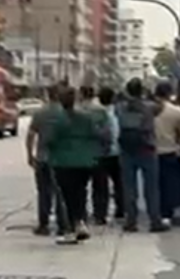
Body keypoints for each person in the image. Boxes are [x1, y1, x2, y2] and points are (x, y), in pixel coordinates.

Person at [42, 85, 106, 245]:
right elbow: (99, 135)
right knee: (80, 193)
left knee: (67, 196)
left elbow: (48, 139)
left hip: (63, 161)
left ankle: (71, 228)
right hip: (85, 160)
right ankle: (80, 223)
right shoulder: (86, 117)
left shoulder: (57, 119)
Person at [117, 78, 169, 233]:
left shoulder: (121, 107)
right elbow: (162, 106)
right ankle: (155, 220)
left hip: (126, 150)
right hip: (147, 148)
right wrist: (149, 95)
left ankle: (131, 221)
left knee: (129, 187)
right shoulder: (150, 107)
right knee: (151, 187)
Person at [26, 84, 65, 236]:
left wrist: (30, 155)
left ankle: (43, 224)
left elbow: (30, 135)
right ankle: (63, 225)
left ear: (48, 95)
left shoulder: (40, 113)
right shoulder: (65, 113)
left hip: (42, 158)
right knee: (61, 192)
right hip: (61, 160)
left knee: (43, 193)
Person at [154, 82, 180, 225]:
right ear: (170, 93)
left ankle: (154, 210)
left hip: (151, 150)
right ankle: (166, 213)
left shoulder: (149, 109)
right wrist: (178, 144)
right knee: (168, 183)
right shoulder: (177, 112)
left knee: (153, 184)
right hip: (169, 150)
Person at [91, 86, 123, 225]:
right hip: (118, 152)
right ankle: (121, 210)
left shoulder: (95, 113)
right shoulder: (119, 112)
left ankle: (100, 214)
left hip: (99, 153)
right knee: (119, 184)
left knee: (100, 186)